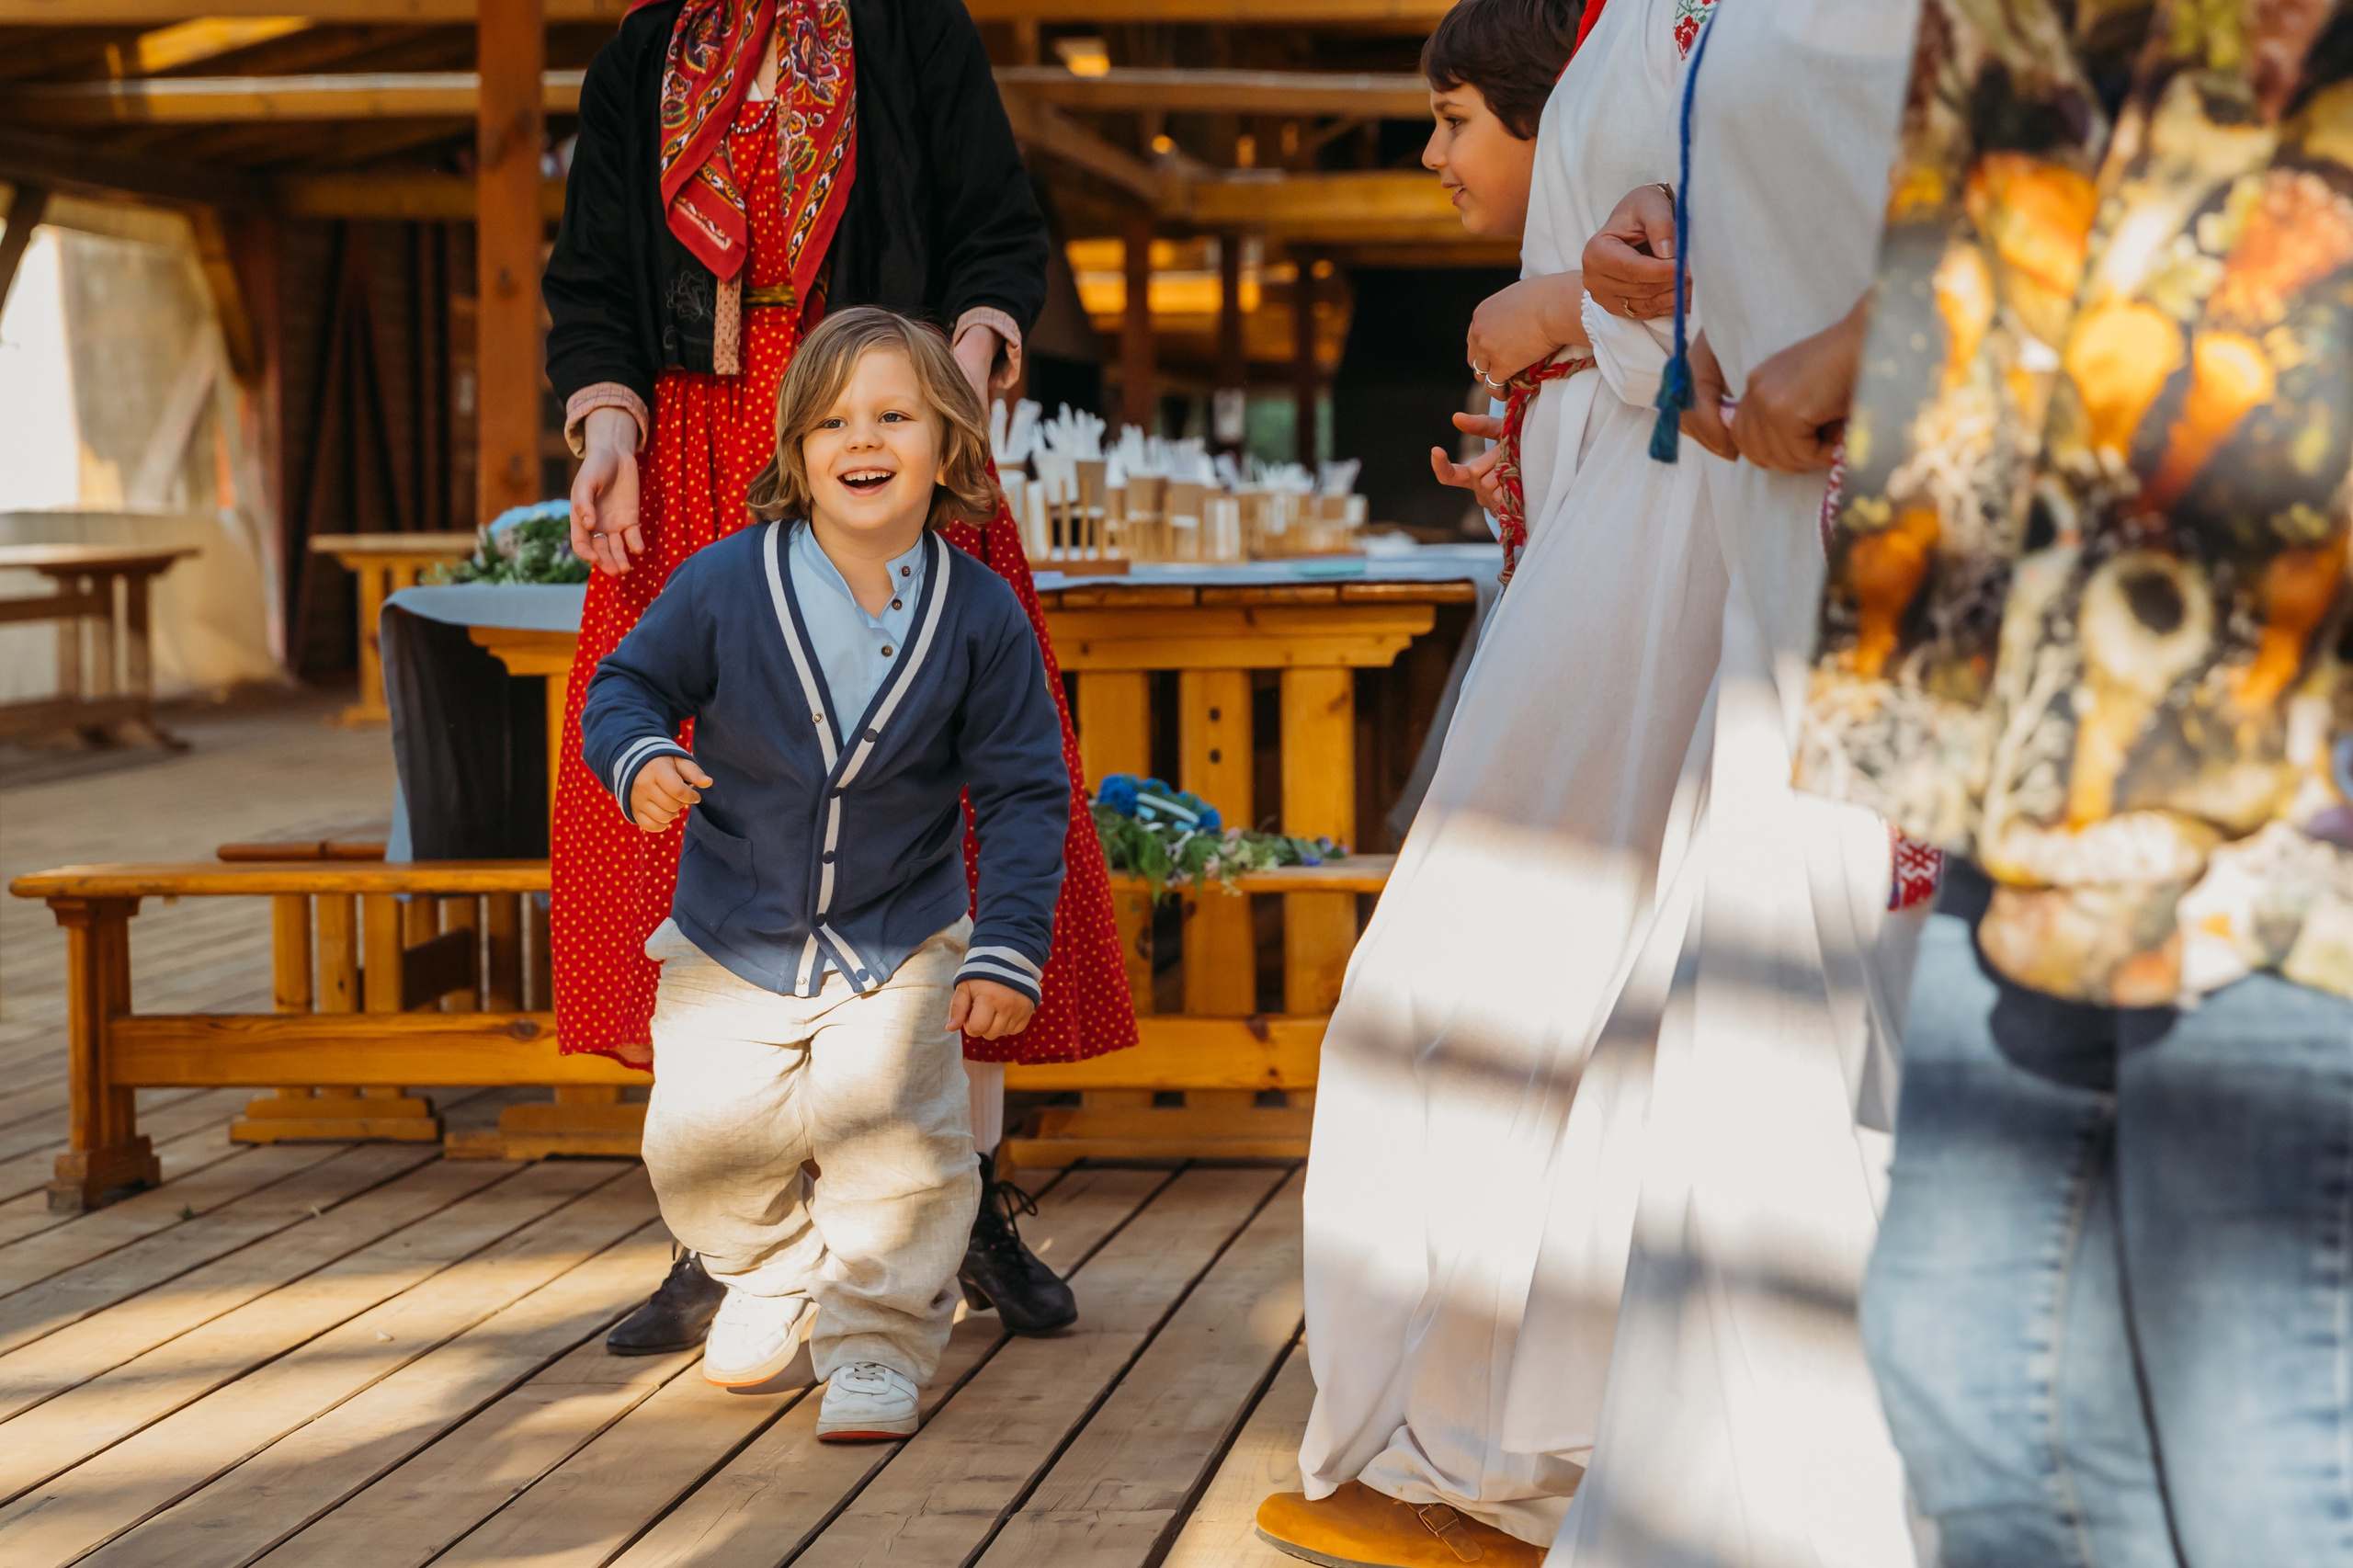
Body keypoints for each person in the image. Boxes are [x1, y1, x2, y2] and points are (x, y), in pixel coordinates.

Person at [1792, 2, 2353, 1562]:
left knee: (2258, 1415)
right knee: (1966, 1359)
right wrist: (1926, 727)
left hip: (2295, 710)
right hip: (2048, 711)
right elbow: (1984, 232)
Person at [542, 0, 1136, 1356]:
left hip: (875, 444)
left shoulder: (912, 27)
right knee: (695, 829)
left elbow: (994, 230)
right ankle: (727, 1230)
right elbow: (593, 287)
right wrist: (609, 427)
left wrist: (968, 359)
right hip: (694, 460)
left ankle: (965, 1198)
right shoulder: (647, 51)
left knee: (942, 803)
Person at [1253, 0, 1736, 1562]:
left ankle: (1515, 1447)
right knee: (1520, 988)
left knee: (1511, 976)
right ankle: (1491, 1434)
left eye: (1458, 118)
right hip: (1635, 520)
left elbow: (1769, 254)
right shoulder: (1632, 27)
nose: (1433, 148)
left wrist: (1555, 319)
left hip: (1680, 539)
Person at [1508, 3, 1932, 1563]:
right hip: (1802, 569)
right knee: (1778, 1051)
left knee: (1910, 1040)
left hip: (1952, 557)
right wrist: (1692, 221)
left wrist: (1873, 336)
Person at [578, 307, 1069, 1432]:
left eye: (896, 415)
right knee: (698, 1154)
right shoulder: (721, 583)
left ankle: (877, 1343)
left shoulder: (981, 614)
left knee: (901, 1150)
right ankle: (771, 1267)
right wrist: (643, 753)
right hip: (728, 927)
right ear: (797, 451)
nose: (865, 438)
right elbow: (625, 689)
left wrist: (1007, 946)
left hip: (900, 934)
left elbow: (1025, 791)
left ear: (948, 445)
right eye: (836, 420)